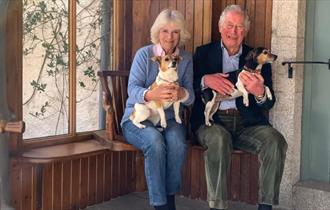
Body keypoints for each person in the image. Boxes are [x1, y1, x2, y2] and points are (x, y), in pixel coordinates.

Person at [190, 5, 287, 210]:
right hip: (213, 122)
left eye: (239, 27)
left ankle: (266, 205)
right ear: (220, 27)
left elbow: (269, 102)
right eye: (229, 25)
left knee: (275, 141)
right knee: (218, 138)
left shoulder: (258, 58)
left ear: (246, 30)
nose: (234, 31)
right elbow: (187, 86)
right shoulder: (203, 53)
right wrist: (205, 80)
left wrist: (259, 91)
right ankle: (217, 206)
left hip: (247, 124)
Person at [121, 9, 195, 210]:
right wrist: (151, 95)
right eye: (165, 31)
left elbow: (191, 97)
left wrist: (183, 95)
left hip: (169, 119)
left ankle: (169, 197)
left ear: (182, 34)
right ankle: (161, 205)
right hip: (138, 117)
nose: (170, 37)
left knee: (178, 143)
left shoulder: (186, 58)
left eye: (175, 32)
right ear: (157, 33)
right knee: (154, 142)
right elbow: (132, 89)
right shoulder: (144, 55)